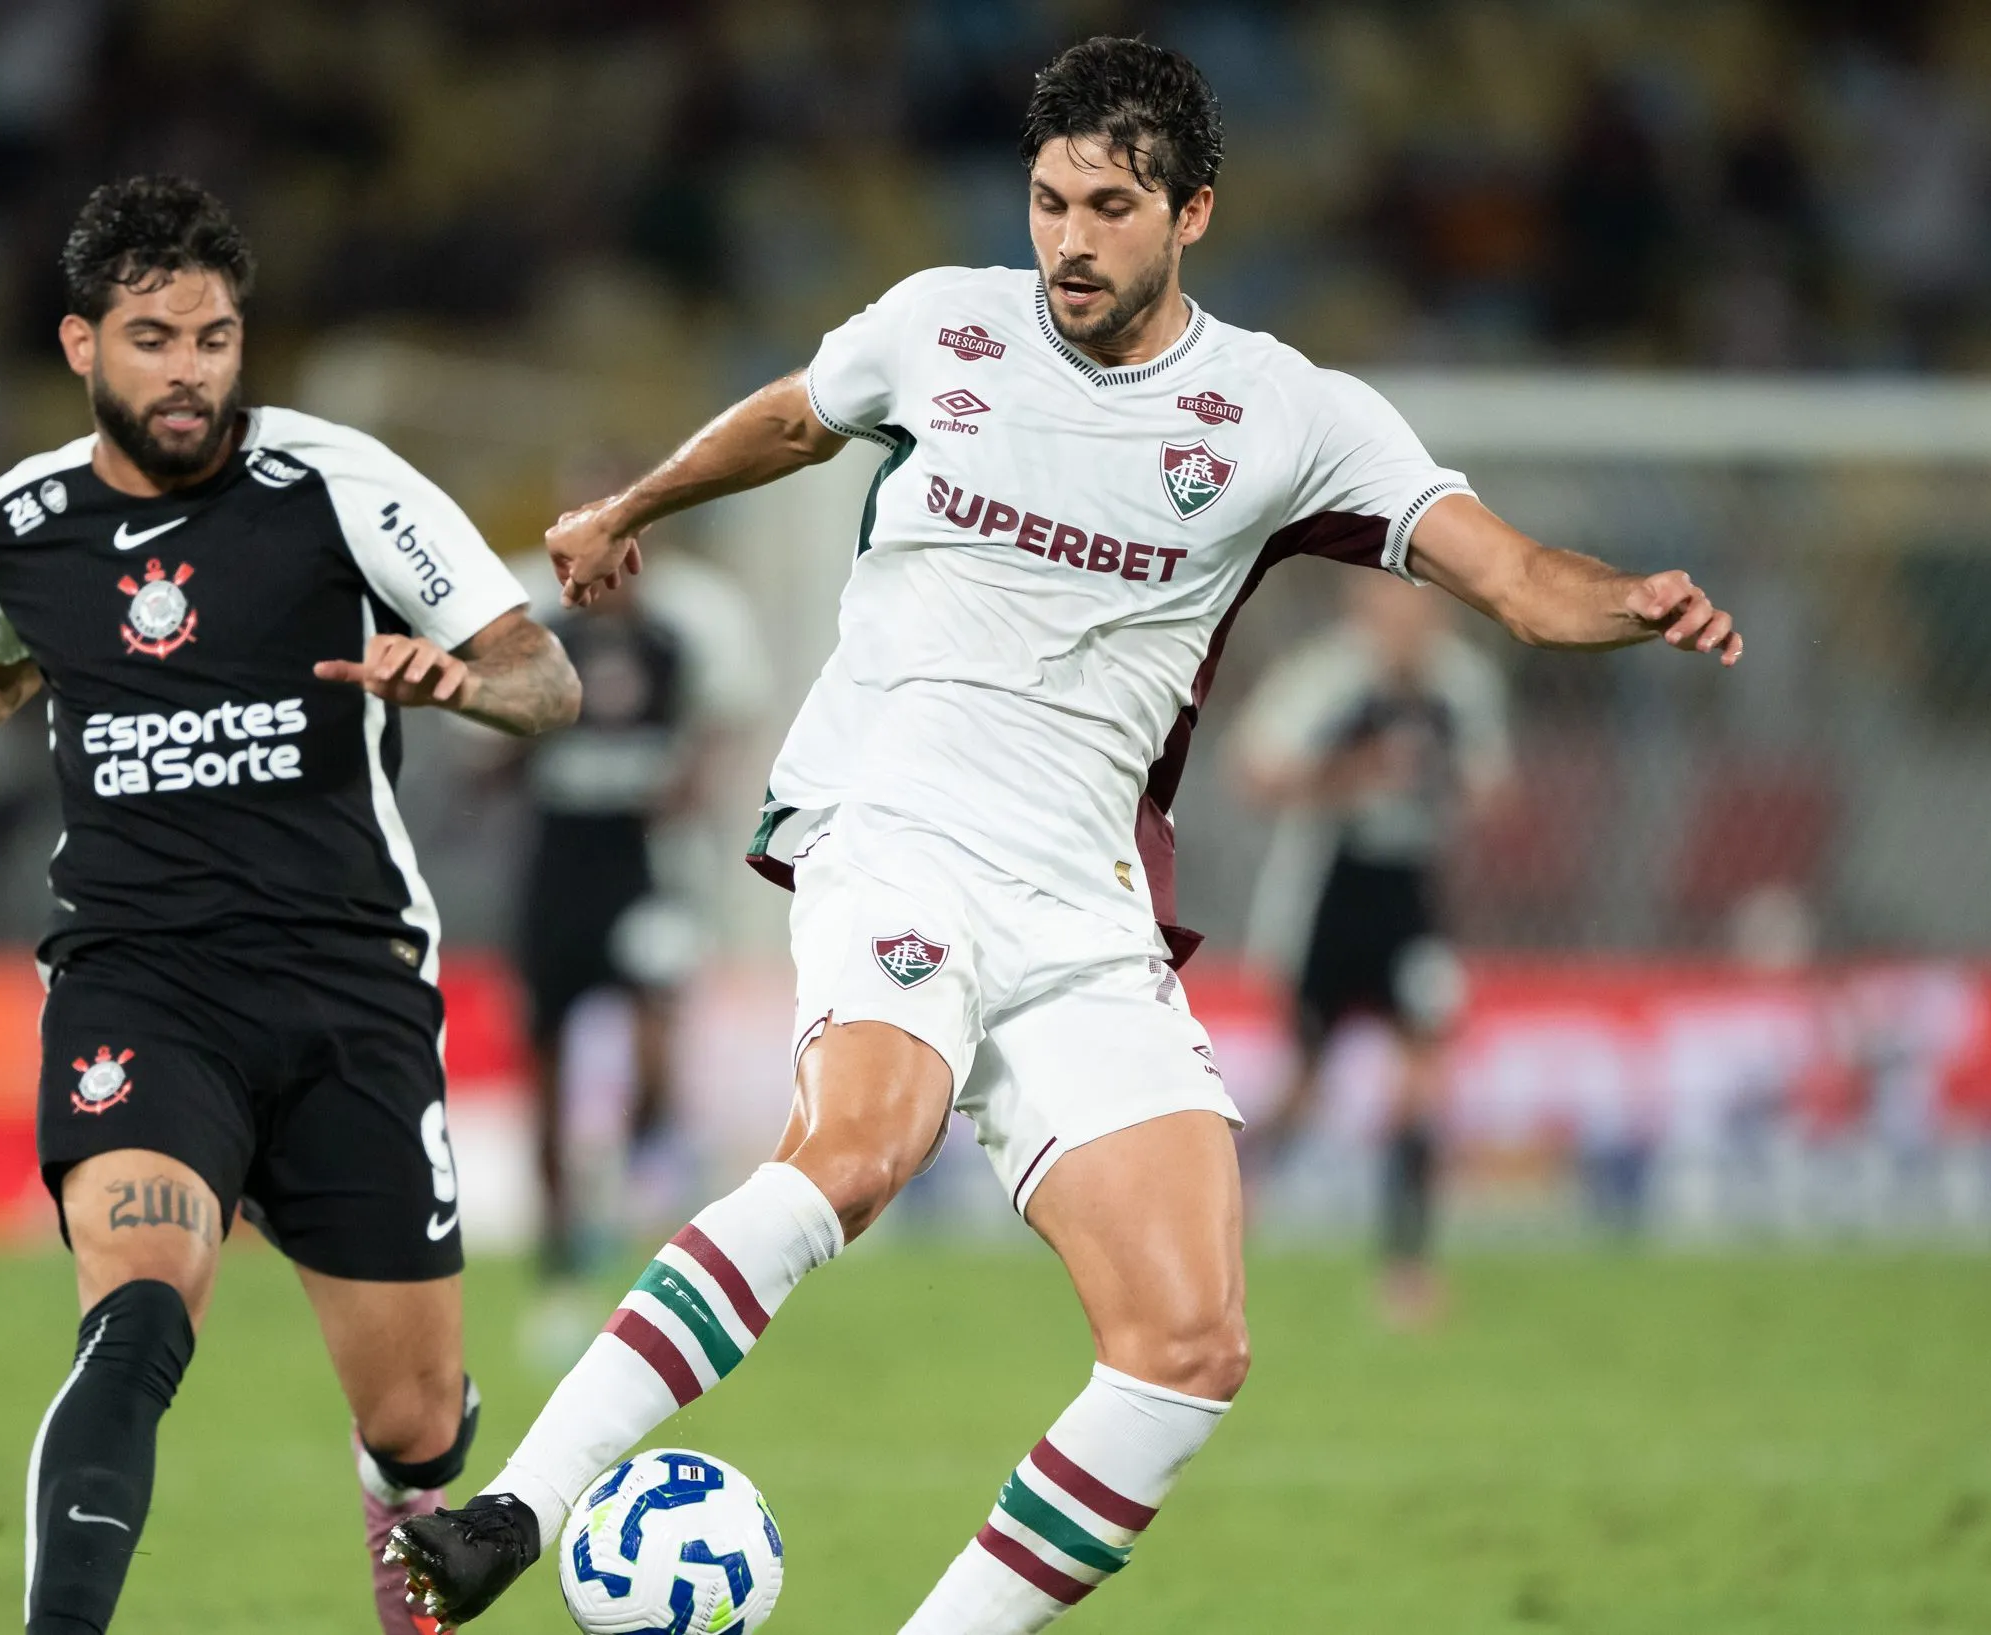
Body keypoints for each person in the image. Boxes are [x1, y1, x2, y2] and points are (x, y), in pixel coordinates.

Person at [387, 38, 1740, 1632]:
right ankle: (510, 1513)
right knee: (857, 1144)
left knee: (1187, 1339)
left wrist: (1627, 602)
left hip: (1080, 897)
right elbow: (796, 417)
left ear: (1194, 215)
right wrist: (635, 509)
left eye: (1110, 205)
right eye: (1048, 201)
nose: (1070, 240)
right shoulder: (937, 325)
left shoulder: (1280, 414)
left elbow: (1511, 576)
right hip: (891, 818)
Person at [0, 177, 578, 1635]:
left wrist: (466, 684)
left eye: (213, 336)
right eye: (152, 338)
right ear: (80, 346)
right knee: (135, 1320)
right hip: (139, 984)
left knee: (416, 1422)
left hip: (346, 981)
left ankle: (401, 1484)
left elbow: (541, 673)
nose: (188, 369)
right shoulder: (23, 520)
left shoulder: (339, 483)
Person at [1235, 571, 1513, 1327]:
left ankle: (1407, 1267)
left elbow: (1491, 785)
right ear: (1364, 613)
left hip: (1410, 895)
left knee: (1423, 1075)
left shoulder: (1462, 684)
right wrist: (1353, 773)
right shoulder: (1325, 681)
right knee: (1306, 1081)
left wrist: (1447, 781)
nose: (1407, 625)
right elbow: (1255, 773)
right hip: (1330, 889)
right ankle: (1230, 1195)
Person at [506, 538, 763, 1314]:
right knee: (545, 1066)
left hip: (645, 869)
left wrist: (692, 783)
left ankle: (616, 1181)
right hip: (559, 868)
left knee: (656, 1054)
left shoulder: (676, 637)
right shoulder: (540, 638)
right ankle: (558, 1259)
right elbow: (489, 751)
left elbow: (716, 729)